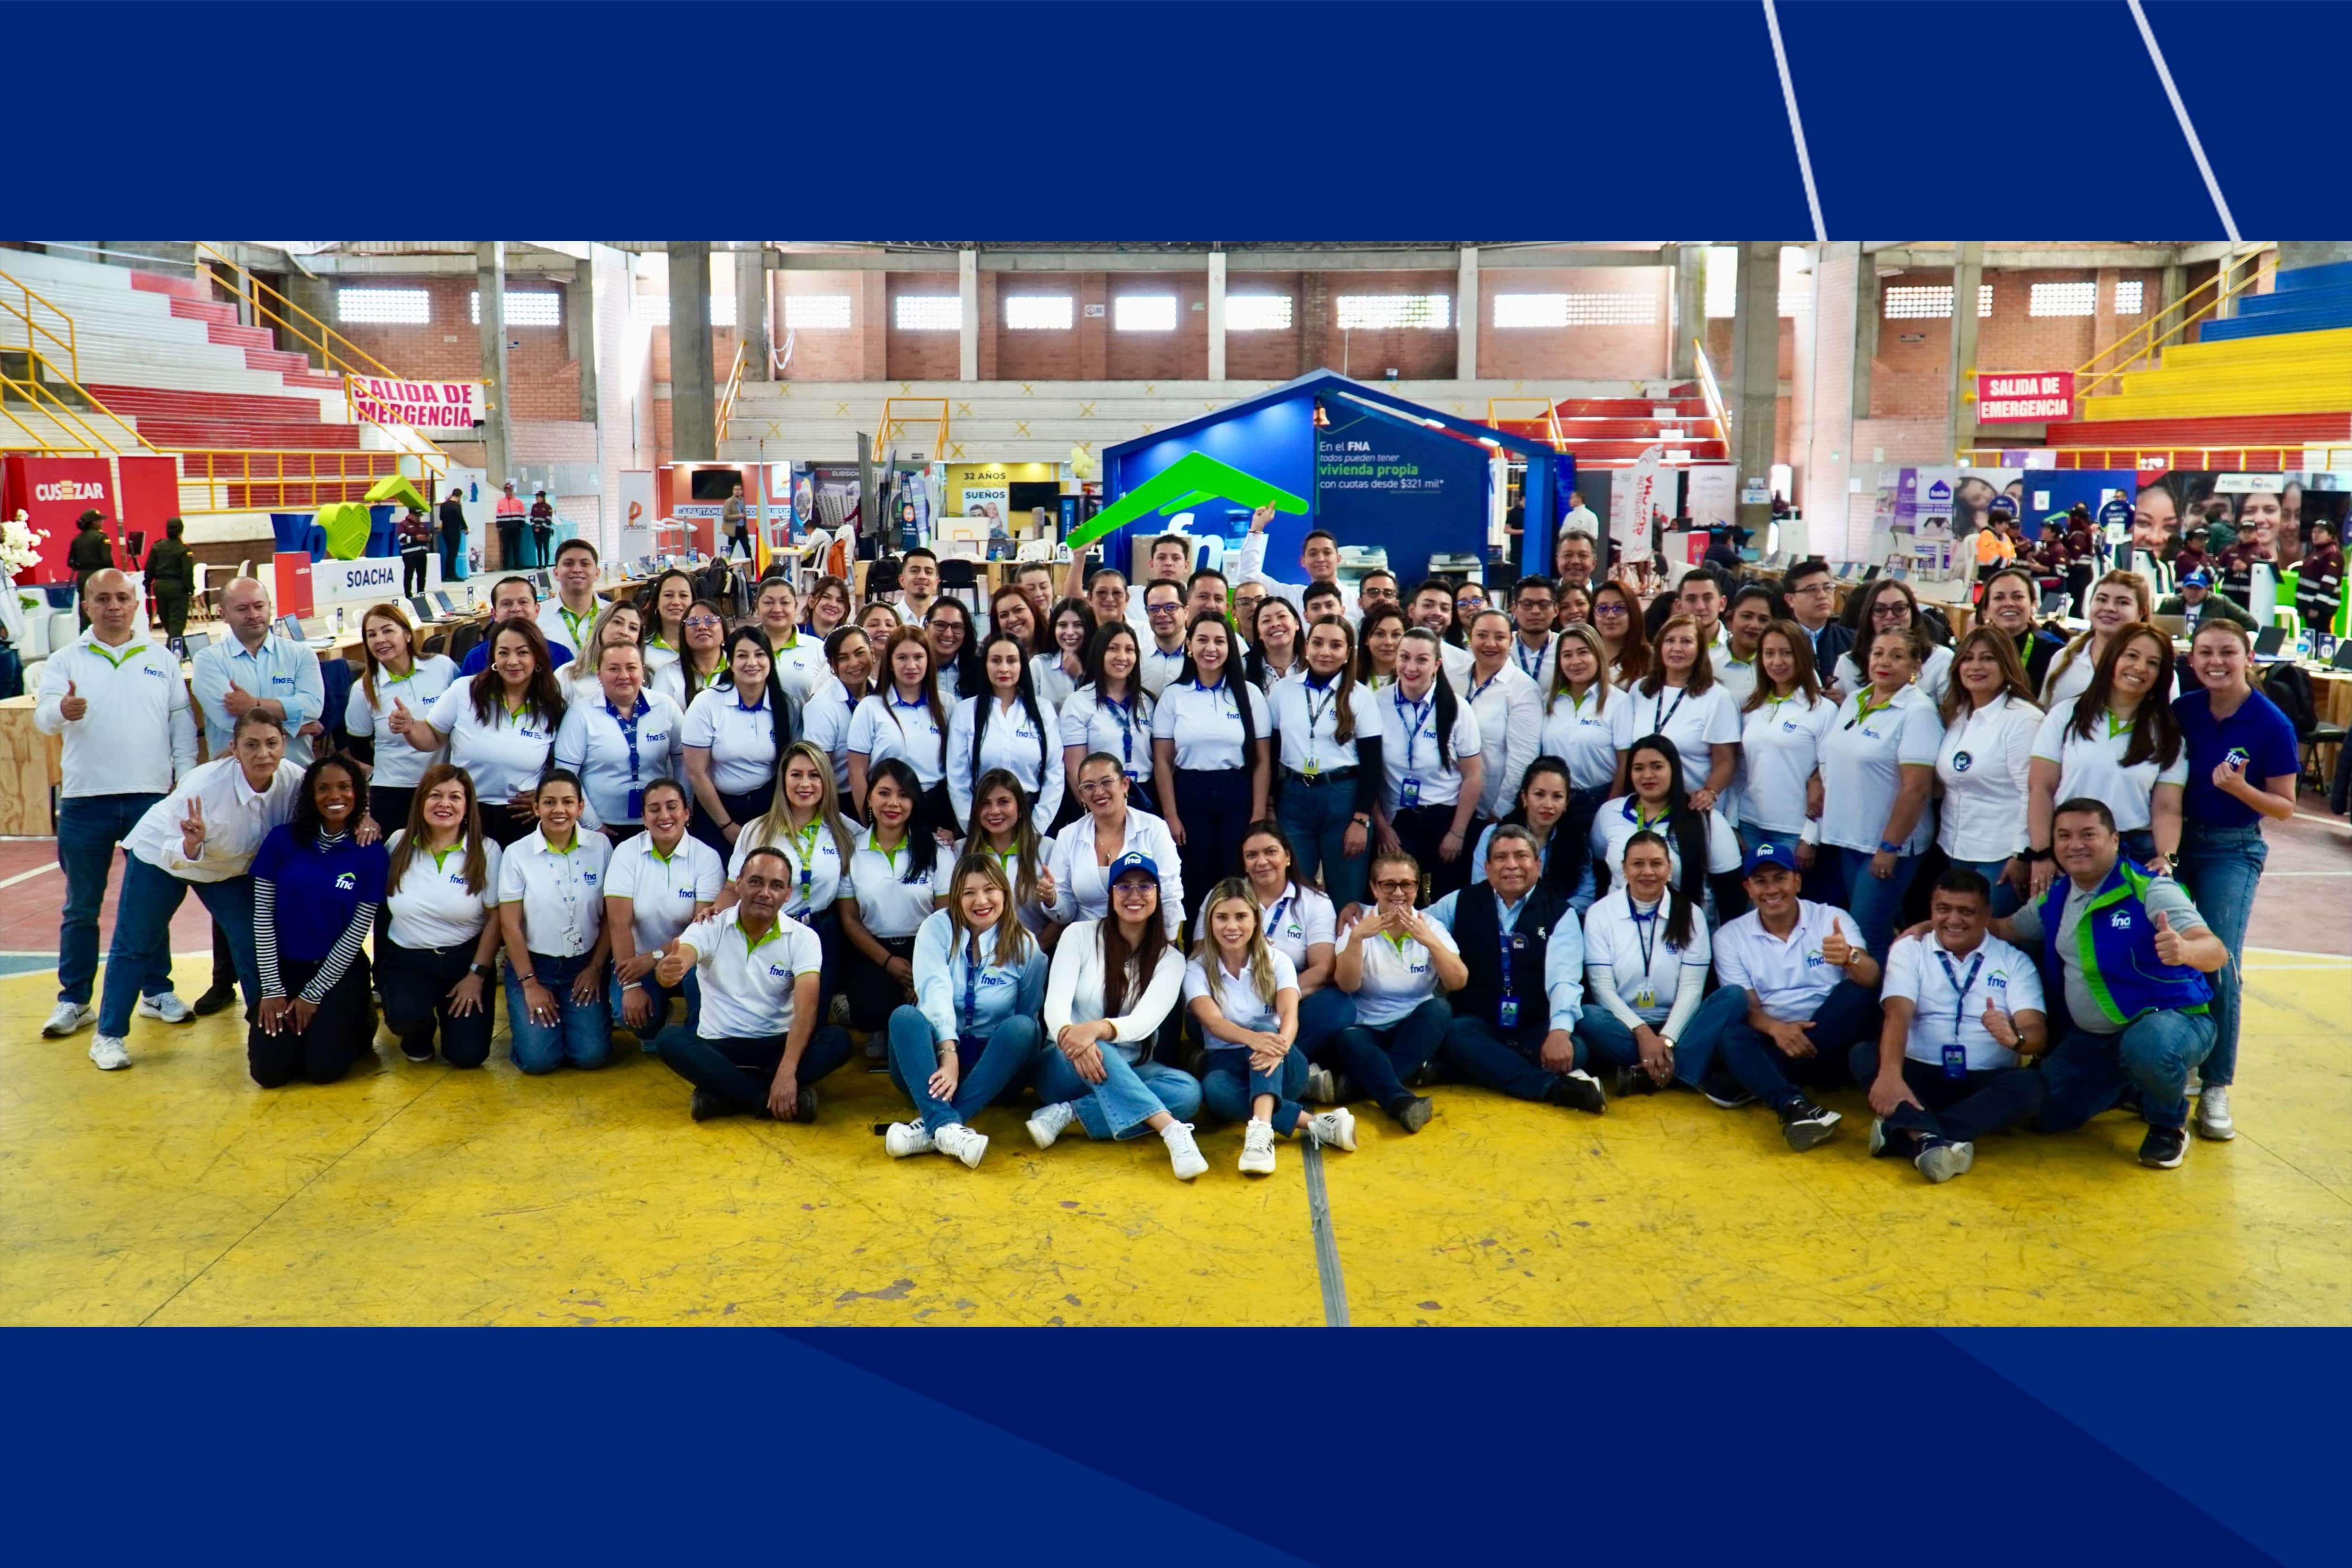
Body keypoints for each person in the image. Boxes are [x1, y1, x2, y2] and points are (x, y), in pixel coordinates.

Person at [1993, 798, 2228, 1168]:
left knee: (2148, 1048)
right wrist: (1942, 926)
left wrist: (2183, 949)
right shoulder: (2056, 898)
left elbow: (2216, 950)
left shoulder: (2149, 888)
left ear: (2115, 840)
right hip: (2094, 1040)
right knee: (2043, 1115)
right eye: (2064, 836)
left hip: (2172, 1022)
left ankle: (2168, 1123)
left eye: (2089, 834)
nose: (2075, 845)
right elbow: (2006, 929)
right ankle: (2131, 1086)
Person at [88, 713, 304, 1070]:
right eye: (251, 744)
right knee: (135, 943)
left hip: (228, 868)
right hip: (165, 858)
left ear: (284, 744)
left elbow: (328, 803)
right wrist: (191, 844)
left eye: (271, 743)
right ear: (234, 748)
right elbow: (173, 847)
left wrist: (364, 819)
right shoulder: (202, 784)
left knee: (253, 941)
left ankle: (266, 1028)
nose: (263, 753)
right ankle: (108, 1036)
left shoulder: (294, 779)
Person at [36, 567, 197, 1043]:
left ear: (137, 603)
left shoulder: (159, 658)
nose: (113, 606)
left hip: (152, 799)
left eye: (122, 597)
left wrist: (185, 784)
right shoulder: (66, 660)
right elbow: (45, 719)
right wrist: (61, 712)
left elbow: (181, 726)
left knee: (151, 901)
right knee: (82, 907)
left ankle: (157, 990)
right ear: (86, 605)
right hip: (86, 802)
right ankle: (74, 1000)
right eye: (102, 598)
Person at [2168, 619, 2299, 1141]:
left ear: (2248, 657)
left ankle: (2217, 1081)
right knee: (2168, 950)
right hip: (2177, 842)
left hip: (2230, 847)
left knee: (2221, 960)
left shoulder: (2270, 724)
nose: (2215, 661)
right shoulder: (2184, 711)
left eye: (2227, 652)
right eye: (2205, 652)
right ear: (2192, 658)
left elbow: (2285, 807)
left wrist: (2241, 789)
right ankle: (2173, 1065)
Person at [1855, 868, 2048, 1183]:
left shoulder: (2014, 961)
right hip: (1919, 1073)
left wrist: (2017, 1039)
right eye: (1943, 909)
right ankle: (1935, 1139)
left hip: (1980, 1081)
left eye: (1967, 911)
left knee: (2032, 1086)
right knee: (1864, 1055)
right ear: (1931, 911)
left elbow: (2037, 1032)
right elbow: (1897, 1014)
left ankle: (1909, 1132)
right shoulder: (1910, 948)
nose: (1953, 920)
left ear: (1988, 914)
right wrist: (1890, 1074)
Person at [1026, 851, 1208, 1179]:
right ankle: (1171, 1130)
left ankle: (1070, 1114)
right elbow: (1055, 1010)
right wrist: (1076, 1040)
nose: (1134, 895)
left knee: (1188, 1092)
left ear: (1157, 894)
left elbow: (1144, 1023)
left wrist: (1095, 1029)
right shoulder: (1078, 935)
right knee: (1102, 1049)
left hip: (1131, 1067)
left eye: (1144, 886)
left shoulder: (1170, 959)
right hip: (1065, 1063)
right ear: (1111, 895)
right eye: (1124, 886)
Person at [652, 845, 853, 1122]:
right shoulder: (710, 925)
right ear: (739, 884)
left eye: (776, 885)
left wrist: (787, 1070)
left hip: (777, 1046)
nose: (765, 892)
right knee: (669, 1040)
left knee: (839, 1041)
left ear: (787, 895)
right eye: (756, 881)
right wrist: (669, 971)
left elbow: (807, 1011)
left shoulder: (804, 938)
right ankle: (765, 1100)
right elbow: (683, 955)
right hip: (719, 1047)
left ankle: (723, 1097)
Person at [877, 855, 1047, 1167]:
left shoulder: (1026, 945)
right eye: (969, 892)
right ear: (956, 896)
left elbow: (1030, 1009)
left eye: (990, 890)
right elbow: (934, 991)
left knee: (1024, 1027)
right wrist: (948, 1052)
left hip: (994, 1074)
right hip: (930, 1070)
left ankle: (933, 1124)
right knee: (905, 1016)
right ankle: (947, 1126)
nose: (981, 900)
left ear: (1005, 894)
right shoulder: (936, 928)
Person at [1710, 843, 1882, 1149]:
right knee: (1732, 1034)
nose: (1771, 889)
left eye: (1780, 878)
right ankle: (1795, 1106)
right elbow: (1749, 1006)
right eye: (1761, 881)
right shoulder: (1729, 937)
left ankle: (1758, 1078)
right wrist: (1778, 1029)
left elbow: (1872, 978)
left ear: (1797, 882)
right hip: (1777, 1039)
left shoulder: (1831, 918)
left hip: (1831, 1038)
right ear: (1748, 888)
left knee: (1854, 992)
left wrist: (1849, 957)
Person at [1427, 824, 1606, 1113]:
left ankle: (1478, 1069)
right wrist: (1361, 909)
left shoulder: (1561, 913)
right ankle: (1552, 1087)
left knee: (1577, 1049)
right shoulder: (1459, 902)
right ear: (1487, 867)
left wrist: (1559, 1033)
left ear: (1538, 864)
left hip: (1533, 1024)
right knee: (1456, 1035)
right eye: (1501, 858)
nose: (1511, 865)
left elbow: (1565, 979)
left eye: (1521, 856)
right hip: (1479, 1022)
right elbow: (1416, 923)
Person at [1189, 877, 1358, 1173]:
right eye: (1222, 917)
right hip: (1228, 1061)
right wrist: (1255, 1040)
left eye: (1241, 916)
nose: (1232, 926)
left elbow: (1290, 1015)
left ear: (1256, 920)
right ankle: (1316, 1124)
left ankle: (1261, 1136)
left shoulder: (1277, 960)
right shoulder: (1197, 967)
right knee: (1214, 1090)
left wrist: (1279, 1047)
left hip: (1281, 1060)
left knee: (1264, 1031)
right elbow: (1213, 1022)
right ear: (1210, 921)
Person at [245, 753, 387, 1087]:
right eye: (323, 788)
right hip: (284, 970)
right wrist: (273, 989)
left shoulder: (371, 853)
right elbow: (262, 917)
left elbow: (356, 934)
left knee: (324, 1070)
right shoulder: (282, 841)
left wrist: (313, 993)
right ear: (310, 795)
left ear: (358, 794)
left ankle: (359, 1020)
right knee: (270, 1073)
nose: (335, 796)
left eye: (344, 787)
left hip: (337, 971)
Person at [1577, 831, 1747, 1096]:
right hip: (1625, 1029)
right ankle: (1682, 1068)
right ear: (1624, 869)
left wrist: (1666, 1038)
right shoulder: (1601, 914)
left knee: (1734, 997)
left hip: (1679, 1024)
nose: (1648, 872)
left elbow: (1692, 990)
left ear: (1669, 869)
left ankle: (1649, 1074)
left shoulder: (1692, 914)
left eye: (1656, 863)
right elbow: (1602, 990)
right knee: (1587, 1016)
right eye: (1638, 864)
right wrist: (1644, 1035)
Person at [1817, 624, 1941, 956]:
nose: (1884, 661)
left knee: (1866, 934)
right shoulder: (1857, 698)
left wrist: (1889, 846)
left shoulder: (1918, 712)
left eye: (1897, 656)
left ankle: (1881, 1006)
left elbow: (1916, 789)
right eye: (1878, 653)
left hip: (1888, 846)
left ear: (1916, 666)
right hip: (1850, 837)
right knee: (1865, 929)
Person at [2028, 623, 2185, 880]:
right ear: (2113, 657)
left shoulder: (2168, 731)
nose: (2140, 668)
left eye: (2153, 663)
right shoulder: (2066, 714)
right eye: (2131, 656)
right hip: (2070, 848)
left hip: (2135, 853)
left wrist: (2168, 859)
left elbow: (2167, 807)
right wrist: (2042, 853)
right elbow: (2041, 788)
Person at [378, 764, 504, 1067]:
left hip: (463, 962)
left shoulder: (487, 851)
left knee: (468, 1056)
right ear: (421, 801)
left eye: (455, 797)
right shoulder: (397, 843)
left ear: (467, 806)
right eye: (435, 795)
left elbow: (496, 919)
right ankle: (417, 1033)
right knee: (407, 1019)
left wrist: (477, 975)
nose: (444, 804)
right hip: (407, 960)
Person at [1153, 610, 1272, 920]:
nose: (1211, 648)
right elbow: (1163, 762)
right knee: (1194, 881)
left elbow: (1262, 762)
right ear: (1189, 646)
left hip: (1238, 794)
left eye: (1220, 641)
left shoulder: (1251, 695)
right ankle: (1196, 953)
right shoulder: (1174, 696)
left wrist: (1258, 815)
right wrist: (1171, 815)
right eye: (1202, 640)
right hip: (1189, 795)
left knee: (1234, 880)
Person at [494, 769, 613, 1072]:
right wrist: (530, 983)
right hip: (535, 967)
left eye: (568, 802)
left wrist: (595, 968)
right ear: (536, 808)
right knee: (539, 1062)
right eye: (549, 802)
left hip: (584, 966)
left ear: (581, 808)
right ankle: (532, 1024)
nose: (559, 810)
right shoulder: (516, 854)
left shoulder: (601, 847)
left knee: (591, 1057)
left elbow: (612, 916)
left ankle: (571, 1021)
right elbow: (510, 924)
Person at [727, 740, 857, 1000]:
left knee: (809, 1019)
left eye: (814, 776)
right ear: (783, 780)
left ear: (827, 782)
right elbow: (732, 889)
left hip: (821, 933)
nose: (805, 784)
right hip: (766, 928)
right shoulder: (757, 831)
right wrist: (713, 917)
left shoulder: (848, 832)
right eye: (796, 775)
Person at [1268, 616, 1377, 910]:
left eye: (1335, 645)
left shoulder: (1360, 696)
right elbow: (1272, 751)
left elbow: (1372, 764)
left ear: (1348, 652)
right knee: (1295, 891)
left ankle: (1345, 954)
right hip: (1294, 797)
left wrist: (1360, 820)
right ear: (1305, 647)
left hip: (1343, 798)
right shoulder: (1283, 691)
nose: (1325, 652)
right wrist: (1270, 805)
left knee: (1346, 894)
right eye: (1317, 643)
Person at [604, 777, 722, 1048]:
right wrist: (631, 986)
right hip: (637, 961)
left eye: (672, 807)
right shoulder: (626, 853)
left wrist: (655, 957)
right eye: (654, 809)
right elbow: (618, 924)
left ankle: (696, 1040)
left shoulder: (707, 858)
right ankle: (656, 1021)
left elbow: (700, 929)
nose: (664, 816)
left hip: (689, 959)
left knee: (698, 980)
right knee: (630, 1016)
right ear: (644, 817)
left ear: (687, 813)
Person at [837, 759, 952, 1031]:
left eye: (904, 795)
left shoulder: (937, 850)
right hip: (874, 950)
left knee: (927, 1014)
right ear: (869, 798)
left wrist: (920, 969)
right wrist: (889, 963)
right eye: (884, 793)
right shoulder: (851, 850)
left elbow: (945, 916)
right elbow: (851, 920)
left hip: (926, 946)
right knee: (871, 1014)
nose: (893, 804)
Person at [1934, 626, 2041, 916]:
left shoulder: (2023, 720)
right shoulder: (1957, 714)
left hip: (2002, 855)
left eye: (1988, 658)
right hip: (1955, 848)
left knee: (1993, 937)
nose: (1975, 666)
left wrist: (2022, 854)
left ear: (2006, 665)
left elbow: (2032, 793)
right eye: (1968, 658)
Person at [1372, 628, 1484, 901]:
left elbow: (1473, 776)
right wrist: (1382, 827)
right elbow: (1366, 774)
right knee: (1398, 898)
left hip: (1445, 816)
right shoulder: (1376, 703)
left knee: (1447, 901)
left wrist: (1457, 833)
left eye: (1422, 660)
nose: (1411, 668)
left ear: (1437, 665)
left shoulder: (1457, 708)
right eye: (1404, 657)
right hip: (1397, 818)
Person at [1235, 819, 1353, 1063]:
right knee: (1197, 1016)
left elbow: (1324, 968)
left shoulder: (1315, 902)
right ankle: (1294, 1071)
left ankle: (1258, 1064)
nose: (1262, 861)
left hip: (1294, 995)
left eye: (1271, 852)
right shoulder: (1224, 898)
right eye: (1252, 855)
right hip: (1237, 995)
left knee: (1339, 1006)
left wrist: (1281, 997)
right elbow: (1205, 958)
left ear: (1287, 856)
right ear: (1244, 864)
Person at [1590, 733, 1744, 916]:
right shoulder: (1609, 813)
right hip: (1621, 925)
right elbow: (1600, 871)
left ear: (1674, 769)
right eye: (1638, 768)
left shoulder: (1707, 820)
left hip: (1684, 928)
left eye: (1657, 767)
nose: (1648, 775)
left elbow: (1731, 893)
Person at [553, 641, 685, 840]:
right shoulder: (580, 714)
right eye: (613, 669)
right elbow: (566, 775)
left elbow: (684, 764)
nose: (624, 676)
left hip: (659, 823)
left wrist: (682, 811)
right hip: (602, 826)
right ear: (599, 674)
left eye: (631, 668)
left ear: (643, 671)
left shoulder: (666, 707)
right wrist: (593, 826)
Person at [346, 603, 458, 837]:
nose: (380, 640)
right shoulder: (363, 690)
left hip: (443, 786)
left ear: (407, 634)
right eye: (372, 635)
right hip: (393, 790)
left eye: (388, 631)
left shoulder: (442, 668)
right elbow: (358, 746)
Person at [1046, 751, 1184, 938]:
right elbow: (1065, 914)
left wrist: (1166, 946)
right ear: (1081, 795)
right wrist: (1051, 899)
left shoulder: (1154, 828)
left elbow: (1169, 896)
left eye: (1106, 782)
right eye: (1089, 786)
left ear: (1125, 784)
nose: (1099, 792)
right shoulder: (1068, 836)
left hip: (1143, 940)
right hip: (1086, 941)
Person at [195, 575, 326, 769]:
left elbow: (313, 707)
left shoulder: (301, 654)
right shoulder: (209, 661)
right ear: (223, 615)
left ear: (270, 607)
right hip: (234, 779)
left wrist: (253, 705)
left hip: (296, 776)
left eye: (259, 606)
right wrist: (296, 727)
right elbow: (228, 720)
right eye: (242, 609)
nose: (253, 614)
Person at [680, 625, 791, 854]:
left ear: (771, 661)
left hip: (768, 808)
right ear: (729, 662)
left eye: (760, 655)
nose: (752, 663)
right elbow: (696, 773)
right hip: (717, 808)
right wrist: (726, 825)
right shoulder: (707, 704)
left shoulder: (786, 705)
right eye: (742, 656)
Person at [1731, 619, 1832, 867]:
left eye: (1787, 653)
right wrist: (1733, 822)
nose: (1777, 662)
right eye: (1769, 654)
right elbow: (1740, 772)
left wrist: (1810, 838)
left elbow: (1829, 777)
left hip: (1793, 830)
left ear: (1802, 656)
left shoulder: (1823, 711)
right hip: (1749, 824)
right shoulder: (1752, 708)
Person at [1611, 613, 1737, 809]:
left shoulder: (1717, 698)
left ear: (1700, 649)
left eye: (1687, 642)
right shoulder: (1640, 689)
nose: (1677, 648)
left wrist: (1710, 792)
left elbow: (1725, 761)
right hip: (1645, 803)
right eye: (1670, 641)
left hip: (1690, 806)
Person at [948, 632, 1063, 835]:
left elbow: (1054, 774)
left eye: (1012, 661)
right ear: (985, 665)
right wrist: (971, 827)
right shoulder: (965, 712)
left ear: (1022, 666)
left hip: (1032, 818)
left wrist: (1037, 827)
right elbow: (958, 778)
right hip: (981, 818)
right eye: (996, 661)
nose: (1004, 669)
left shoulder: (1043, 711)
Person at [847, 626, 952, 835]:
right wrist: (869, 822)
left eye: (918, 657)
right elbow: (857, 771)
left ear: (929, 661)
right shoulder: (871, 707)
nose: (911, 665)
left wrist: (953, 825)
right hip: (888, 807)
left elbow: (956, 768)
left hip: (935, 807)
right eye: (902, 658)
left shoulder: (946, 704)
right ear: (891, 664)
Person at [1537, 624, 1617, 866]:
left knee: (1599, 870)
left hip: (1598, 800)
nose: (1575, 661)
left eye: (1583, 652)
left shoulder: (1618, 702)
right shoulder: (1548, 702)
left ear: (1597, 654)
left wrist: (1610, 808)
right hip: (1555, 802)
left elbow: (1626, 763)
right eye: (1567, 655)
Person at [1059, 621, 1157, 815]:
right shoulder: (1079, 703)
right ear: (1099, 653)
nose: (1122, 657)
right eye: (1113, 649)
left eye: (1130, 650)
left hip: (1145, 796)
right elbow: (1074, 769)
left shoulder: (1148, 702)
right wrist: (1090, 809)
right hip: (1100, 796)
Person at [1461, 608, 1544, 831]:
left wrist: (1499, 813)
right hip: (1451, 804)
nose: (1490, 644)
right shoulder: (1455, 678)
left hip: (1490, 811)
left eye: (1499, 637)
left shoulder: (1523, 689)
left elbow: (1522, 761)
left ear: (1511, 640)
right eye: (1482, 635)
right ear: (1470, 638)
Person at [964, 769, 1059, 937]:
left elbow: (1063, 916)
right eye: (985, 804)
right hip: (976, 955)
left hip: (1036, 953)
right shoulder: (960, 851)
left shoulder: (1047, 848)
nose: (994, 811)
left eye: (1003, 802)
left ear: (1020, 808)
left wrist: (1037, 951)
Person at [1472, 756, 1583, 899]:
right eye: (1539, 795)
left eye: (1557, 797)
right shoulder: (1493, 835)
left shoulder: (1577, 841)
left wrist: (1550, 915)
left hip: (1556, 920)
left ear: (1567, 802)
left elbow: (1584, 896)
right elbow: (1479, 887)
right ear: (1525, 798)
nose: (1548, 805)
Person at [1831, 577, 1953, 705]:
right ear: (1869, 616)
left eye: (1900, 609)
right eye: (1880, 610)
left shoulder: (1941, 659)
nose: (1890, 616)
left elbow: (1952, 718)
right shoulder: (1848, 663)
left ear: (1913, 613)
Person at [2040, 569, 2150, 710]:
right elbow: (2044, 714)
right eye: (2102, 599)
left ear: (2141, 612)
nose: (2109, 608)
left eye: (2122, 603)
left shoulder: (2154, 668)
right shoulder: (2063, 658)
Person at [1234, 500, 1357, 620]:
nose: (1320, 559)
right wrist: (1257, 528)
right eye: (1313, 554)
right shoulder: (1292, 597)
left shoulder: (1356, 600)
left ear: (1338, 558)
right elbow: (1249, 577)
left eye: (1327, 553)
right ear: (1303, 562)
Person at [804, 626, 875, 797]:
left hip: (880, 792)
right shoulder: (822, 707)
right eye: (843, 658)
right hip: (840, 798)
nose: (854, 663)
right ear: (832, 665)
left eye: (860, 653)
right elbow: (819, 771)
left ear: (872, 653)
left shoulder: (883, 692)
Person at [1977, 564, 2068, 695]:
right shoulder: (1974, 650)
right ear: (1985, 611)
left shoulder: (2054, 651)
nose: (2009, 603)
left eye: (2018, 597)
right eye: (1999, 598)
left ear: (2033, 605)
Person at [457, 575, 572, 677]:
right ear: (494, 614)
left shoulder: (561, 655)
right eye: (507, 604)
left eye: (523, 602)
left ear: (537, 610)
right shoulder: (477, 658)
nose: (516, 609)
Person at [1712, 584, 1777, 706]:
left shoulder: (1785, 664)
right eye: (1747, 616)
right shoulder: (1709, 664)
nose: (1754, 625)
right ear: (1730, 619)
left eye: (1763, 620)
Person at [539, 539, 605, 657]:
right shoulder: (537, 616)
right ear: (556, 573)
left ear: (597, 573)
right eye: (568, 564)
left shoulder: (614, 614)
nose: (577, 570)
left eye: (585, 564)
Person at [1409, 577, 1477, 688]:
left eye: (1444, 609)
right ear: (1412, 611)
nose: (1437, 613)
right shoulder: (1394, 655)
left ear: (1450, 617)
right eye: (1428, 606)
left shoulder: (1465, 662)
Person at [2158, 567, 2259, 639]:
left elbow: (2251, 624)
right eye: (2190, 588)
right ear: (2182, 589)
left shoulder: (2221, 603)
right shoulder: (2169, 604)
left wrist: (2227, 635)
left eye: (2198, 589)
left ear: (2207, 590)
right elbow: (2155, 624)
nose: (2193, 592)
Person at [1033, 597, 1095, 709]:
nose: (1070, 632)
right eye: (1063, 625)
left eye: (1078, 625)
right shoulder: (1039, 665)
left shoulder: (1100, 666)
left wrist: (1080, 677)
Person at [1135, 577, 1191, 698]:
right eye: (1154, 609)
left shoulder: (1200, 657)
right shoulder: (1137, 660)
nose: (1162, 614)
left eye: (1170, 607)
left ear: (1186, 612)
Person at [1591, 578, 1651, 688]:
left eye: (1619, 608)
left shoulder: (1651, 660)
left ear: (1633, 613)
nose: (1611, 616)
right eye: (1603, 609)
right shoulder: (1584, 656)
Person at [145, 518, 194, 643]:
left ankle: (177, 649)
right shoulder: (184, 549)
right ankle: (174, 653)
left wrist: (147, 585)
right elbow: (187, 572)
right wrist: (190, 589)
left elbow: (149, 568)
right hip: (178, 587)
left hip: (160, 586)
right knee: (177, 623)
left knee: (166, 619)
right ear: (181, 530)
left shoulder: (158, 546)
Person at [925, 597, 982, 704]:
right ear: (927, 627)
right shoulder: (914, 668)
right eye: (940, 625)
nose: (948, 634)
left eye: (957, 627)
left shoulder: (979, 669)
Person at [1241, 596, 1305, 689]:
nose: (1275, 624)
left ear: (1297, 623)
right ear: (1258, 632)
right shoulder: (1243, 667)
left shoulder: (1313, 663)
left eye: (1282, 616)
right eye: (1266, 621)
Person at [641, 567, 696, 675]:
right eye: (668, 595)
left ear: (693, 603)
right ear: (657, 602)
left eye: (683, 596)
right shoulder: (641, 647)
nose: (676, 602)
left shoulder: (704, 645)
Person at [67, 509, 113, 629]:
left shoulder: (77, 540)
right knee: (102, 604)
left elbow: (71, 562)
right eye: (100, 520)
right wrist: (113, 574)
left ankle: (85, 634)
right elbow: (106, 559)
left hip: (83, 576)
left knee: (85, 606)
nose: (102, 522)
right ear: (94, 523)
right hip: (98, 576)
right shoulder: (101, 538)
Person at [2296, 517, 2342, 636]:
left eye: (2320, 532)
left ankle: (2324, 656)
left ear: (2331, 535)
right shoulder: (2317, 551)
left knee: (2322, 638)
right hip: (2309, 606)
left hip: (2321, 608)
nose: (2316, 535)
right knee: (2312, 640)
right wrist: (2301, 605)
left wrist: (2317, 606)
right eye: (2314, 531)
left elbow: (2329, 583)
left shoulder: (2332, 553)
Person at [1354, 603, 1408, 693]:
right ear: (1366, 639)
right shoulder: (1349, 678)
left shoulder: (1413, 678)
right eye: (1380, 634)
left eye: (1396, 635)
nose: (1388, 642)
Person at [894, 545, 942, 625]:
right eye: (915, 571)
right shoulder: (890, 620)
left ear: (936, 583)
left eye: (929, 572)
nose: (922, 576)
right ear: (902, 580)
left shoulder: (942, 620)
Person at [804, 575, 853, 643]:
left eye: (840, 601)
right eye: (826, 597)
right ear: (811, 602)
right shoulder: (794, 634)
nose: (833, 605)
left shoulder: (851, 639)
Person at [398, 504, 434, 596]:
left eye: (420, 516)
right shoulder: (403, 525)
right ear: (411, 515)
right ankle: (408, 595)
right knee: (409, 576)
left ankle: (421, 593)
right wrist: (416, 538)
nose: (419, 518)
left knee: (422, 576)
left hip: (422, 554)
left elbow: (429, 534)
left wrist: (429, 538)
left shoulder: (422, 525)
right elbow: (402, 539)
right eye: (417, 516)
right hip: (409, 555)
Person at [437, 487, 467, 583]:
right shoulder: (457, 506)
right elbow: (460, 518)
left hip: (446, 531)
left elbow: (441, 518)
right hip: (454, 531)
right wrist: (465, 527)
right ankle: (452, 575)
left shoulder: (444, 505)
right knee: (453, 554)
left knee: (449, 553)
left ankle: (447, 574)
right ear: (459, 496)